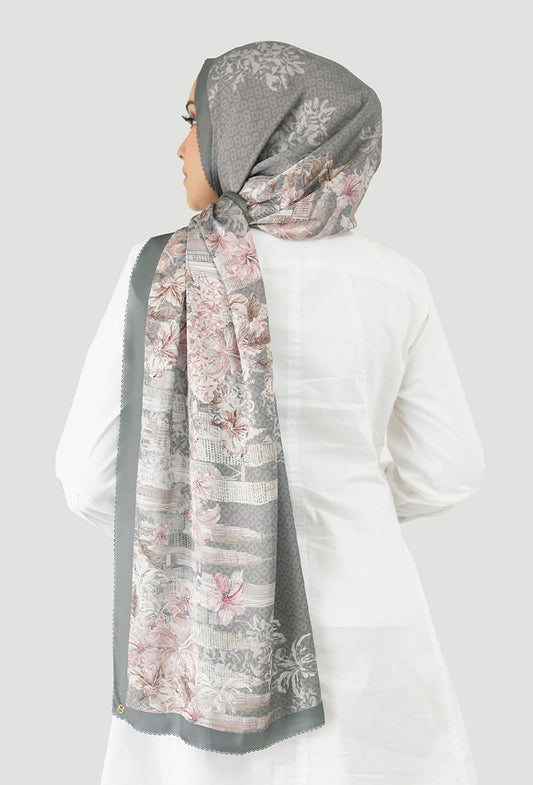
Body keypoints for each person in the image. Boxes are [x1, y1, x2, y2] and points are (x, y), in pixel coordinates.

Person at [55, 40, 485, 785]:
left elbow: (89, 478)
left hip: (206, 642)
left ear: (254, 131)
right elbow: (449, 470)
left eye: (195, 120)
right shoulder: (397, 281)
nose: (181, 146)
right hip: (371, 627)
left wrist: (194, 528)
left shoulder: (160, 270)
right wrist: (343, 511)